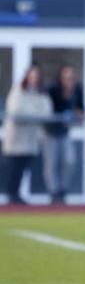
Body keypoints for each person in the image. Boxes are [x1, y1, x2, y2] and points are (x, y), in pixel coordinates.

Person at [2, 64, 52, 205]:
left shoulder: (41, 92)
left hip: (31, 140)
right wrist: (35, 115)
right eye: (32, 75)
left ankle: (16, 195)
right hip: (16, 140)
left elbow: (47, 112)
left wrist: (32, 115)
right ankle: (12, 196)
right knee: (14, 169)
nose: (34, 79)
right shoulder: (18, 91)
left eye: (36, 76)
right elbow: (16, 111)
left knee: (24, 168)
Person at [44, 64, 85, 204]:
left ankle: (63, 190)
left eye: (71, 78)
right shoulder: (54, 91)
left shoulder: (77, 90)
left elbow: (81, 110)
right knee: (52, 164)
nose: (69, 80)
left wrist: (78, 115)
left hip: (65, 132)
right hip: (50, 132)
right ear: (61, 78)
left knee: (69, 160)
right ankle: (54, 193)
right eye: (66, 77)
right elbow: (49, 110)